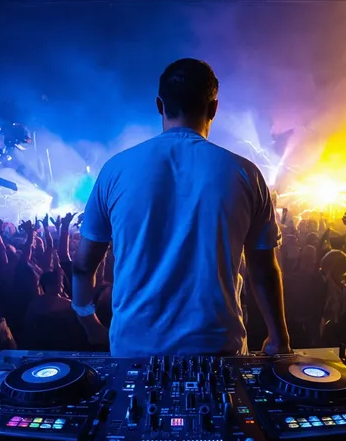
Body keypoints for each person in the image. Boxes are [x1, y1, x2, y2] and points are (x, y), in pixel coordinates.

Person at [72, 58, 290, 357]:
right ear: (213, 108)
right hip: (217, 348)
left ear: (160, 105)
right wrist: (279, 339)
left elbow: (84, 264)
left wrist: (87, 319)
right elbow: (263, 268)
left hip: (134, 350)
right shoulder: (245, 173)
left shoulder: (116, 170)